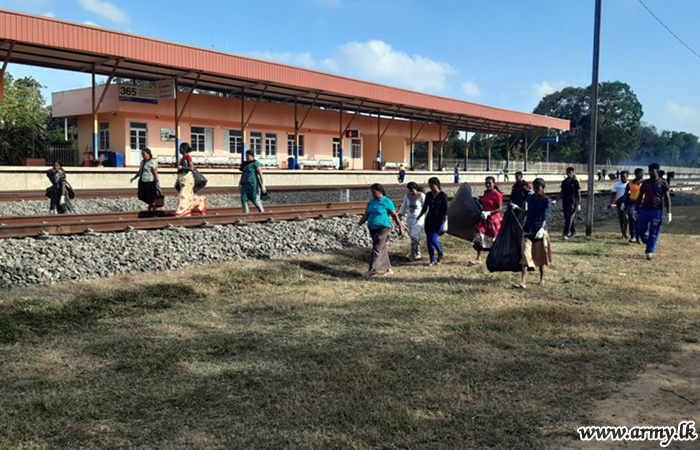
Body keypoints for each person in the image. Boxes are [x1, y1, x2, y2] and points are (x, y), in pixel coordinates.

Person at [356, 183, 405, 278]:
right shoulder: (371, 202)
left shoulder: (387, 202)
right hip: (372, 228)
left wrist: (400, 227)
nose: (372, 194)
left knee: (377, 248)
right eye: (371, 192)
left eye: (374, 192)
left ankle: (372, 270)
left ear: (380, 192)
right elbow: (366, 215)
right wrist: (358, 224)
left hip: (383, 228)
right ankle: (388, 269)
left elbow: (395, 215)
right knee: (381, 248)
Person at [512, 178, 552, 289]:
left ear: (543, 188)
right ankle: (523, 281)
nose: (535, 190)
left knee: (540, 256)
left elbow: (545, 216)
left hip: (539, 230)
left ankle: (542, 278)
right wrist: (517, 208)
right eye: (534, 187)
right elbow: (528, 213)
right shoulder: (530, 198)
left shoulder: (546, 201)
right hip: (528, 229)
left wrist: (542, 229)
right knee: (525, 255)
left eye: (538, 188)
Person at [635, 163, 672, 260]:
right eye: (649, 170)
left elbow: (667, 198)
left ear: (657, 172)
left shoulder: (663, 183)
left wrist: (669, 213)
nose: (650, 172)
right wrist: (636, 209)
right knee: (640, 230)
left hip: (656, 211)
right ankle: (650, 243)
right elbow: (640, 196)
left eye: (652, 171)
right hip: (644, 210)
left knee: (654, 231)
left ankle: (650, 251)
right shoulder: (645, 183)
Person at [470, 176, 504, 265]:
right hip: (485, 219)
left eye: (489, 183)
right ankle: (479, 257)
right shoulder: (485, 192)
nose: (488, 185)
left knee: (493, 239)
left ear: (494, 184)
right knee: (479, 234)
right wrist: (478, 200)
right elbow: (485, 202)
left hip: (494, 220)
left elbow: (500, 208)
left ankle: (495, 257)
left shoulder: (497, 194)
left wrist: (489, 212)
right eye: (486, 183)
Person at [417, 177, 449, 266]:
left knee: (433, 239)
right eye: (430, 186)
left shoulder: (443, 195)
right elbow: (425, 207)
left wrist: (445, 220)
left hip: (438, 221)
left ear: (437, 185)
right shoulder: (428, 195)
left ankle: (440, 252)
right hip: (429, 220)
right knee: (428, 241)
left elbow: (446, 208)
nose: (431, 188)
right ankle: (432, 259)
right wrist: (419, 216)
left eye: (432, 186)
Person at [175, 142, 207, 217]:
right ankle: (200, 202)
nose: (179, 150)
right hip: (183, 179)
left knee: (183, 195)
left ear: (184, 149)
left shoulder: (188, 157)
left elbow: (191, 168)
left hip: (187, 179)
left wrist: (182, 168)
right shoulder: (183, 158)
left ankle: (181, 212)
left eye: (180, 148)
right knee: (188, 196)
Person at [398, 182, 426, 260]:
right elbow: (404, 206)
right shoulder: (407, 196)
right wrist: (400, 214)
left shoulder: (421, 196)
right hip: (410, 218)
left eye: (412, 190)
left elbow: (426, 207)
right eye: (410, 190)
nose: (411, 192)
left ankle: (412, 253)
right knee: (413, 236)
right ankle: (417, 252)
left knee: (414, 235)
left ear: (416, 189)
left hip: (419, 218)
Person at [554, 167, 581, 240]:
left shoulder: (575, 182)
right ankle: (574, 232)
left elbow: (578, 193)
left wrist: (579, 204)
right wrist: (556, 200)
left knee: (569, 217)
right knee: (567, 217)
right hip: (565, 201)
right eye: (567, 173)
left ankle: (565, 233)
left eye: (570, 173)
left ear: (573, 173)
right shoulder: (564, 182)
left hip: (573, 202)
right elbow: (562, 192)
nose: (568, 174)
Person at [623, 168, 644, 243]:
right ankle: (633, 236)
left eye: (643, 173)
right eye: (640, 173)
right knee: (632, 218)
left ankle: (639, 236)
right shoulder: (630, 183)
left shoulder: (645, 183)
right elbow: (626, 194)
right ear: (636, 174)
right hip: (633, 203)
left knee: (641, 220)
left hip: (643, 203)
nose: (642, 175)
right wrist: (623, 203)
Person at [610, 170, 629, 239]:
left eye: (624, 177)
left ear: (627, 177)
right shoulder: (617, 185)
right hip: (619, 203)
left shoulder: (629, 184)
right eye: (621, 177)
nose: (623, 178)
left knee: (626, 218)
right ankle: (623, 233)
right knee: (621, 219)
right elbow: (613, 193)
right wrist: (611, 203)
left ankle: (626, 232)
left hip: (627, 203)